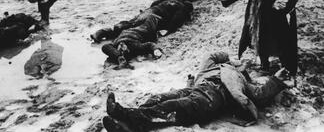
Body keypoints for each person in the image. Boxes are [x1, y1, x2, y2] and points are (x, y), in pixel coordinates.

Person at [103, 51, 291, 132]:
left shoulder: (242, 81)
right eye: (237, 62)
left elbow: (260, 95)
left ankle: (124, 115)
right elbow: (211, 55)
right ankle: (131, 124)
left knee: (174, 106)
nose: (239, 64)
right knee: (157, 98)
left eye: (242, 65)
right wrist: (228, 57)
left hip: (213, 98)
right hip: (195, 89)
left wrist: (277, 80)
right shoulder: (212, 66)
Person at [221, 0, 298, 75]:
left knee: (281, 39)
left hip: (275, 13)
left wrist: (284, 4)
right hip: (256, 11)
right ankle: (264, 64)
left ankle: (286, 67)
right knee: (260, 37)